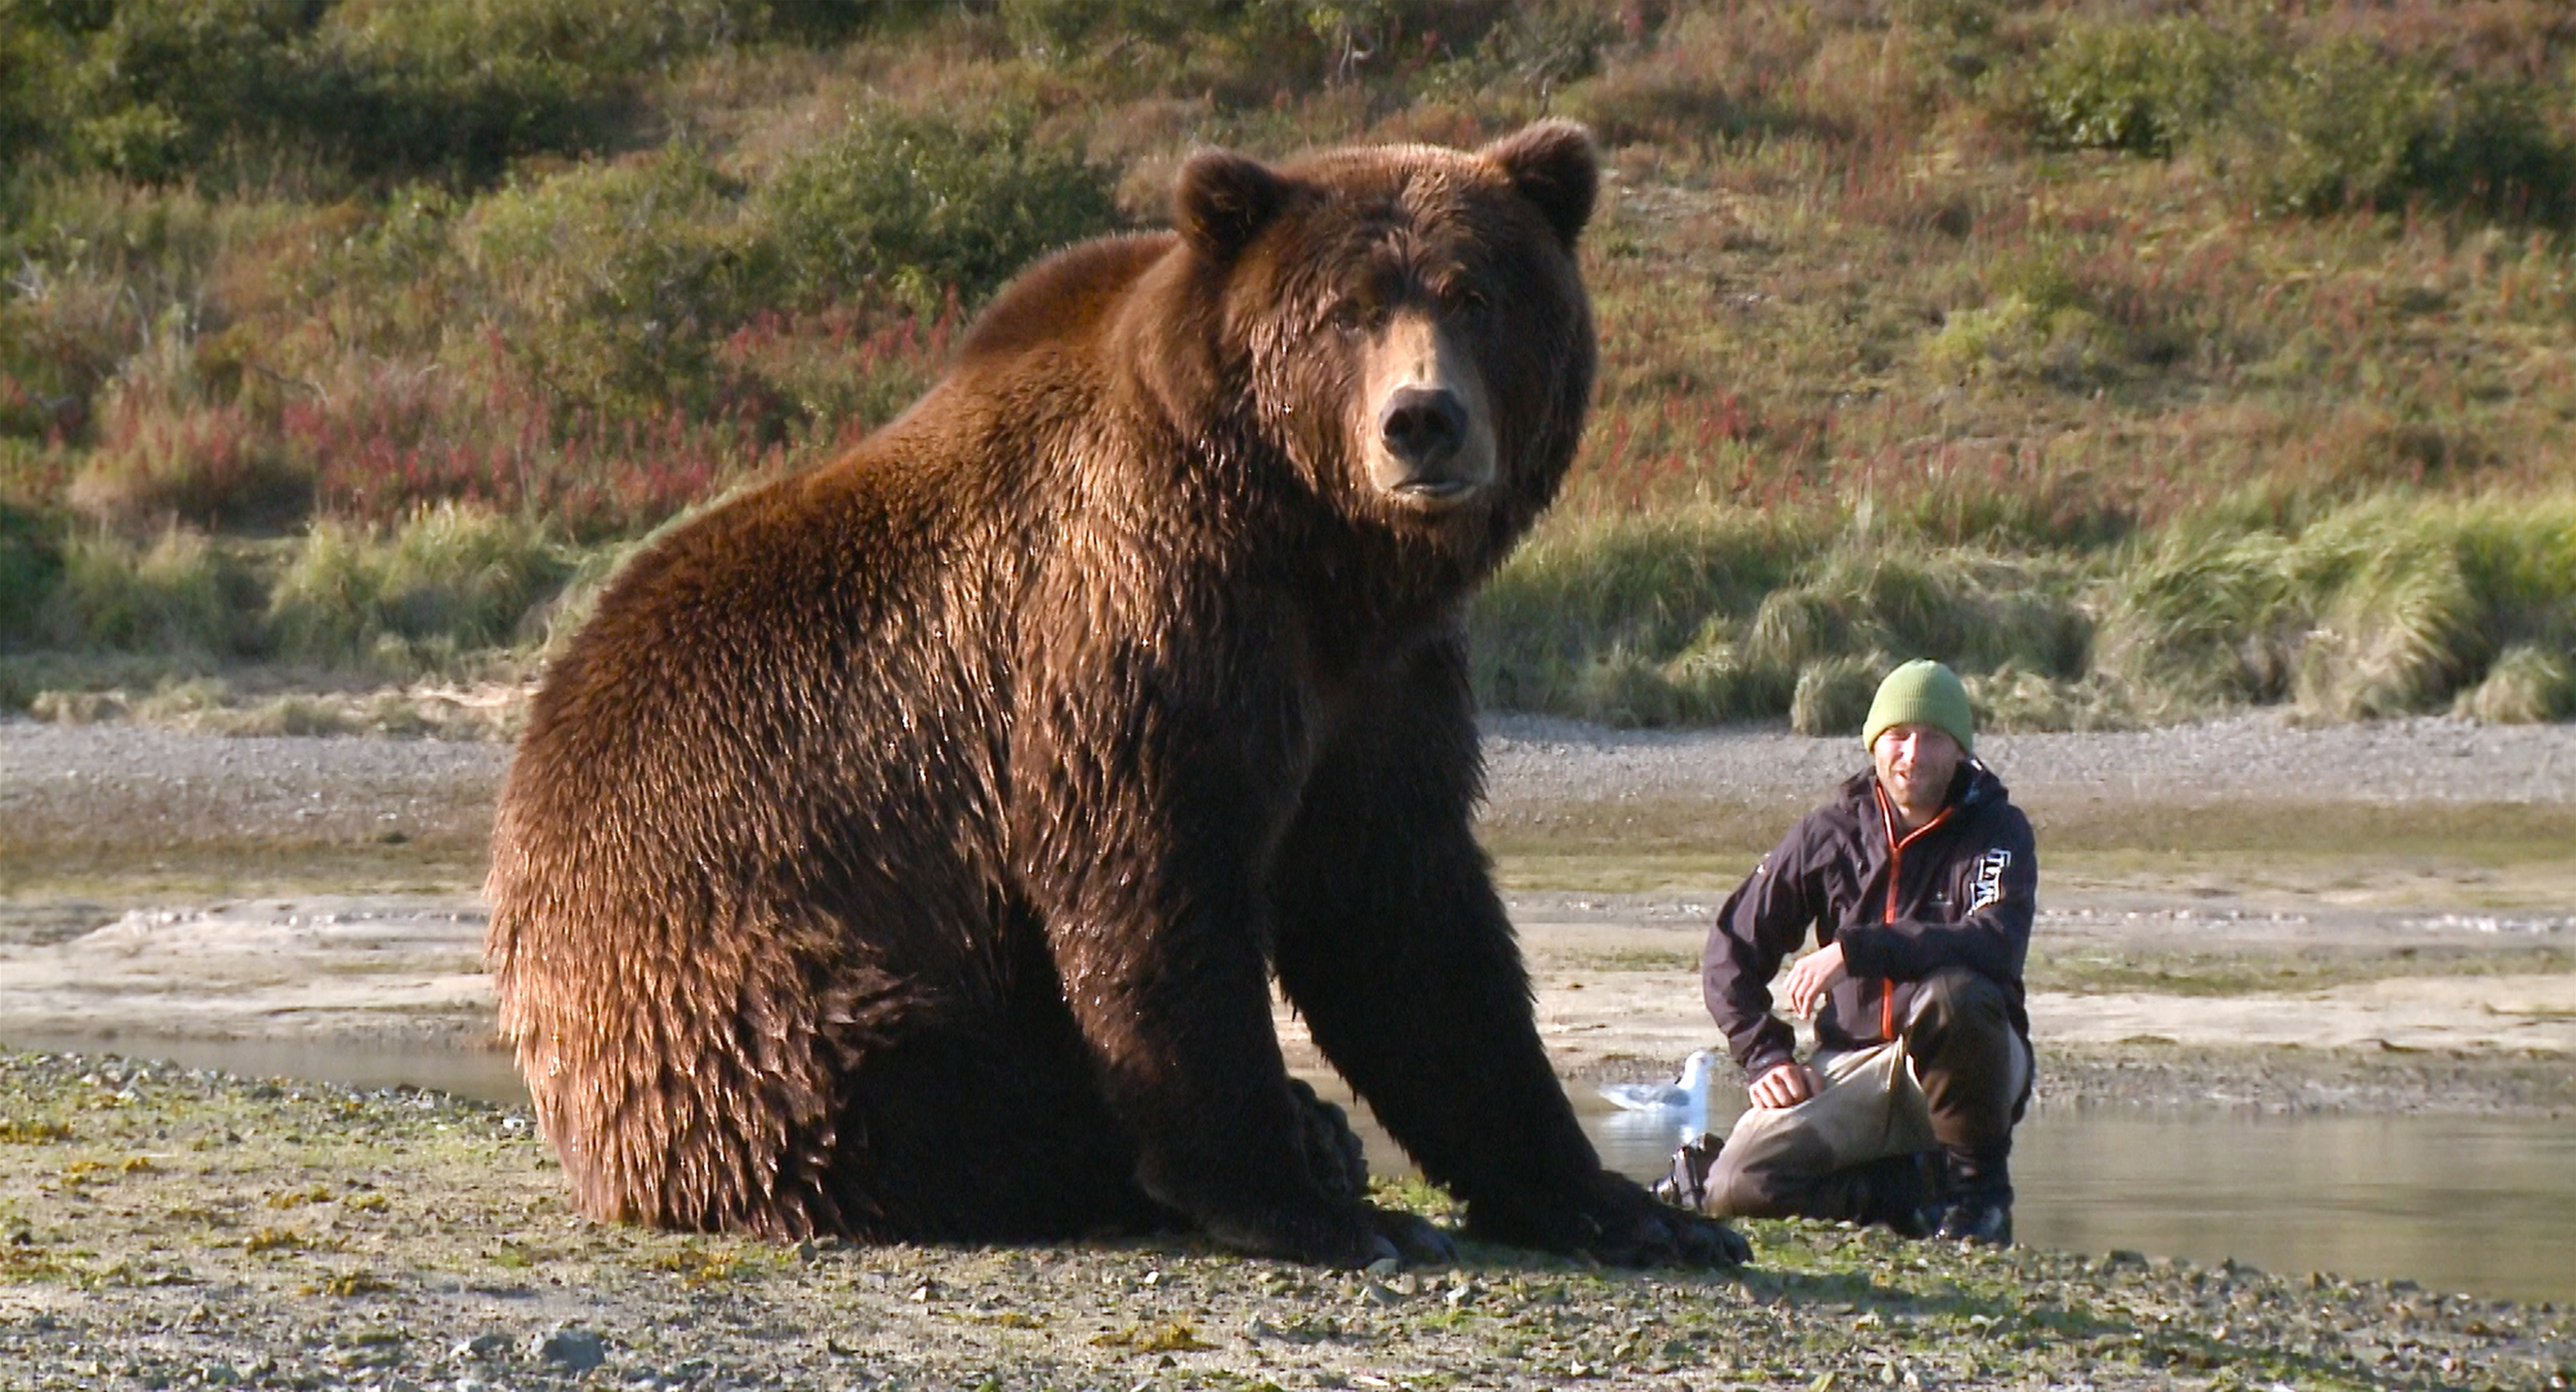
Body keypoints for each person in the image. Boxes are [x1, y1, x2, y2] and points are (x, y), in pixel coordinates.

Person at [1656, 659, 2037, 1244]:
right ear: (1874, 745)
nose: (1912, 753)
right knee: (1736, 1186)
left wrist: (1856, 950)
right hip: (1849, 1062)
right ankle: (1907, 1192)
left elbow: (1995, 942)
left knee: (1954, 996)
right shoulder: (1827, 834)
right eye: (1898, 736)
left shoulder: (1996, 830)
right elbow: (1729, 948)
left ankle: (1978, 1199)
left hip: (1962, 1066)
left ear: (1960, 749)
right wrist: (1764, 1054)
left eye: (1932, 737)